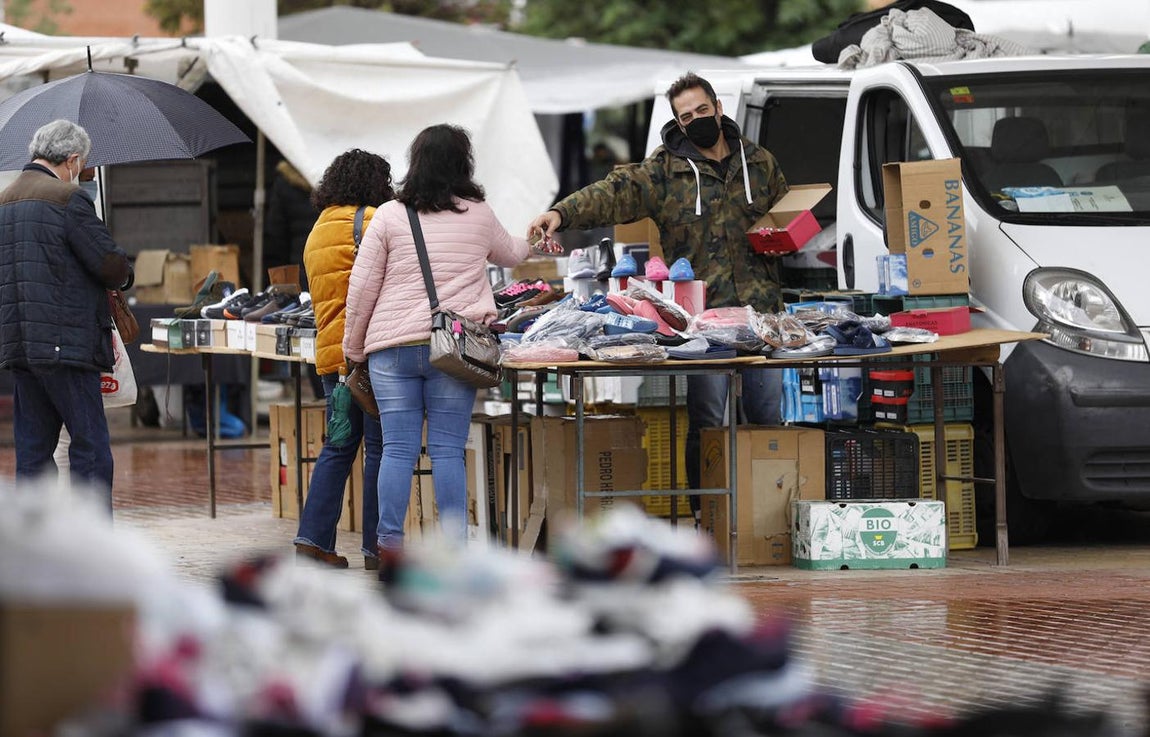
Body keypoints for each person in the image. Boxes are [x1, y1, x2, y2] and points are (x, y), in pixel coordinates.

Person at [527, 72, 789, 522]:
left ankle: (764, 519)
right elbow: (612, 193)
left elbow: (789, 213)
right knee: (708, 419)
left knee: (766, 419)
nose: (696, 120)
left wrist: (785, 236)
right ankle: (708, 513)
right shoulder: (665, 171)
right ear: (678, 122)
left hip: (761, 316)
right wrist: (560, 212)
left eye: (702, 110)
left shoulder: (759, 162)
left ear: (719, 108)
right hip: (702, 324)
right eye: (686, 116)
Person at [344, 124, 531, 552]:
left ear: (416, 163)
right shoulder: (478, 213)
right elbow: (513, 254)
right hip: (453, 349)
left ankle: (389, 546)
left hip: (391, 350)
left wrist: (354, 349)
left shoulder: (390, 215)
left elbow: (362, 288)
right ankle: (454, 550)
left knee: (397, 450)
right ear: (463, 163)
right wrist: (538, 237)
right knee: (447, 452)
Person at [0, 120, 133, 508]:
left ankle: (34, 548)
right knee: (90, 448)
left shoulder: (5, 199)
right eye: (84, 164)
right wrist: (122, 263)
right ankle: (92, 547)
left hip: (20, 345)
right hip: (67, 344)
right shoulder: (68, 199)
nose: (83, 171)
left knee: (33, 453)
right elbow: (109, 265)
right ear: (72, 160)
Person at [294, 149, 394, 570]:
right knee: (377, 449)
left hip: (331, 361)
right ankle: (375, 548)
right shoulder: (371, 222)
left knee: (336, 447)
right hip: (369, 356)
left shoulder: (316, 229)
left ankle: (312, 541)